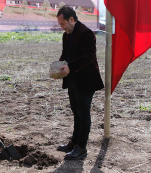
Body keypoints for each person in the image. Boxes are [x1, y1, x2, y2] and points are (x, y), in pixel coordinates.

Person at [55, 6, 104, 160]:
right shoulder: (67, 35)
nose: (62, 27)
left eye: (63, 24)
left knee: (83, 113)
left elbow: (88, 57)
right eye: (60, 25)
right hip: (72, 80)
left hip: (86, 80)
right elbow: (66, 53)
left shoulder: (87, 33)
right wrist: (58, 66)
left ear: (72, 19)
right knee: (76, 111)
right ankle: (74, 142)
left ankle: (81, 147)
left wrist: (70, 67)